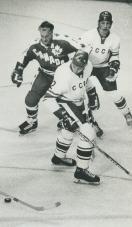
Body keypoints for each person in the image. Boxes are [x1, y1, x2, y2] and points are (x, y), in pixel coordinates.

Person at [11, 21, 86, 135]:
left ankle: (71, 118)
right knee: (30, 99)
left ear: (52, 33)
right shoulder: (35, 45)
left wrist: (78, 65)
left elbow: (83, 48)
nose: (44, 39)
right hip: (44, 75)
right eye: (42, 36)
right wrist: (18, 70)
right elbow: (24, 56)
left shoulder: (62, 41)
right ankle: (32, 122)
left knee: (67, 100)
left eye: (47, 36)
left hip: (62, 76)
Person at [44, 49, 100, 184]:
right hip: (65, 102)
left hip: (80, 102)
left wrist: (92, 93)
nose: (76, 68)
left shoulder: (88, 67)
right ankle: (81, 170)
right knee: (88, 134)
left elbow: (86, 81)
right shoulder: (63, 75)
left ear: (85, 65)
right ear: (72, 60)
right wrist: (64, 116)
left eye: (80, 66)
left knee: (68, 132)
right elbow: (48, 99)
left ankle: (58, 157)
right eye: (74, 64)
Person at [79, 11, 132, 133]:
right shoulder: (87, 35)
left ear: (111, 24)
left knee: (113, 93)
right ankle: (89, 118)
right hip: (87, 65)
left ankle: (127, 113)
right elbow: (81, 55)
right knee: (79, 92)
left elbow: (115, 56)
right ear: (98, 23)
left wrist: (113, 68)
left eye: (108, 23)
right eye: (103, 23)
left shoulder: (115, 39)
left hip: (103, 66)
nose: (105, 26)